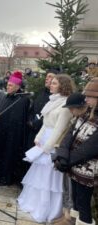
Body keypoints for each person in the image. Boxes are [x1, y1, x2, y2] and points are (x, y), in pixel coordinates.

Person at [18, 74, 75, 223]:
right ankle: (33, 203)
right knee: (39, 176)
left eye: (55, 83)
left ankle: (47, 209)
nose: (51, 85)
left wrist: (47, 147)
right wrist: (38, 138)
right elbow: (45, 122)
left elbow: (59, 129)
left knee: (49, 178)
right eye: (52, 83)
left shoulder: (66, 104)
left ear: (63, 86)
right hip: (44, 140)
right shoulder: (52, 101)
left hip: (54, 144)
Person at [53, 78, 98, 225]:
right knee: (76, 203)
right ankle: (72, 221)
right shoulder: (86, 114)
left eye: (91, 97)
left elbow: (89, 149)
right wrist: (62, 157)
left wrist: (67, 161)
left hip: (87, 171)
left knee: (84, 207)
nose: (87, 99)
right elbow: (69, 136)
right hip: (74, 167)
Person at [51, 93, 88, 225]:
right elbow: (67, 138)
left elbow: (86, 147)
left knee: (76, 195)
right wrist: (62, 157)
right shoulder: (77, 118)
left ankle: (70, 219)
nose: (71, 111)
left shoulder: (89, 120)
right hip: (69, 159)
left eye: (73, 108)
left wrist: (68, 159)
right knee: (67, 188)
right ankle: (66, 214)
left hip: (81, 163)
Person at [0, 71, 30, 185]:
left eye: (11, 85)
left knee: (8, 156)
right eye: (7, 85)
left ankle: (6, 178)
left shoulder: (22, 99)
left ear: (17, 87)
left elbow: (19, 119)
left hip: (13, 134)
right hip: (2, 132)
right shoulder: (6, 96)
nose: (8, 87)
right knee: (0, 153)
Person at [27, 72, 56, 149]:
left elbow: (50, 116)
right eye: (46, 76)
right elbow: (32, 109)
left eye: (50, 77)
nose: (46, 78)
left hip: (43, 133)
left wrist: (37, 124)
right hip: (32, 130)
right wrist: (30, 120)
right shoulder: (41, 93)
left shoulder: (55, 97)